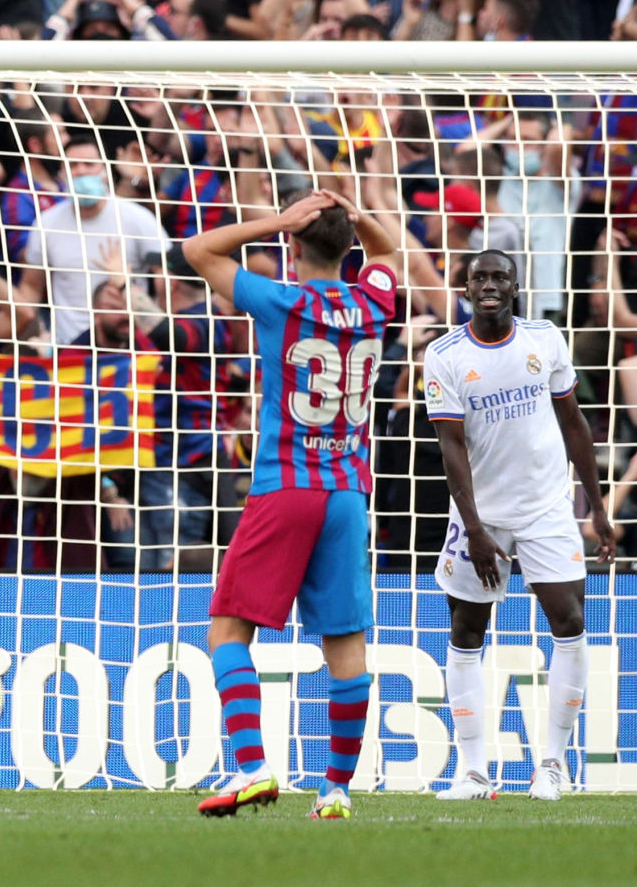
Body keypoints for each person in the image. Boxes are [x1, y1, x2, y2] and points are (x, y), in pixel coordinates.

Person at [181, 188, 401, 821]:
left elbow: (198, 249)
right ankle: (335, 791)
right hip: (348, 495)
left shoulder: (279, 301)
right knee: (346, 645)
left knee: (228, 629)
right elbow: (388, 253)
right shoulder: (373, 299)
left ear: (294, 246)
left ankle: (252, 767)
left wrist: (281, 218)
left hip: (286, 486)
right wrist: (359, 220)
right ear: (349, 247)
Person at [422, 249, 615, 802]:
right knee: (466, 632)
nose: (488, 285)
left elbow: (573, 421)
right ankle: (475, 772)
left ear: (514, 287)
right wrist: (475, 528)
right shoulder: (444, 354)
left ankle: (551, 766)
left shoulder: (544, 340)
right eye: (479, 277)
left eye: (499, 277)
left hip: (546, 506)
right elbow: (450, 445)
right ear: (464, 288)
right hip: (479, 515)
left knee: (570, 620)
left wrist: (596, 507)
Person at [22, 130, 170, 345]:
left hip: (128, 342)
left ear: (104, 170)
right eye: (72, 166)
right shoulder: (46, 223)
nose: (80, 171)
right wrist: (35, 333)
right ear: (62, 173)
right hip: (69, 349)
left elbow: (166, 279)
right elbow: (31, 286)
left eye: (89, 164)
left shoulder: (137, 219)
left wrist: (160, 333)